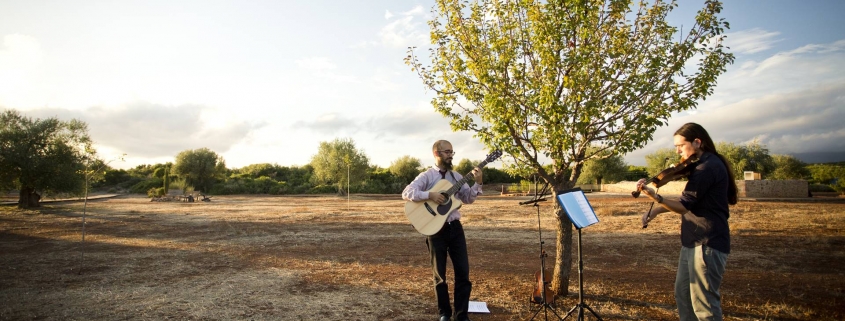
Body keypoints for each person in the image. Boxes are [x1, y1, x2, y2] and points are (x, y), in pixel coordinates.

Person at [636, 122, 737, 321]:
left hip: (707, 242)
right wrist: (656, 210)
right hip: (692, 241)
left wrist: (656, 198)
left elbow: (684, 205)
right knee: (683, 296)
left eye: (680, 146)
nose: (678, 151)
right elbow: (693, 203)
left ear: (697, 142)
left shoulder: (707, 167)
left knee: (704, 306)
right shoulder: (699, 166)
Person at [402, 140, 483, 321]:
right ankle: (444, 314)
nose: (451, 155)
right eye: (447, 152)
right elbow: (407, 192)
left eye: (452, 152)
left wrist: (478, 183)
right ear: (436, 153)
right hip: (434, 230)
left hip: (455, 228)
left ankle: (461, 315)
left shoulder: (457, 177)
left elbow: (468, 198)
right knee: (439, 275)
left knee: (463, 273)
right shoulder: (427, 176)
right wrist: (430, 195)